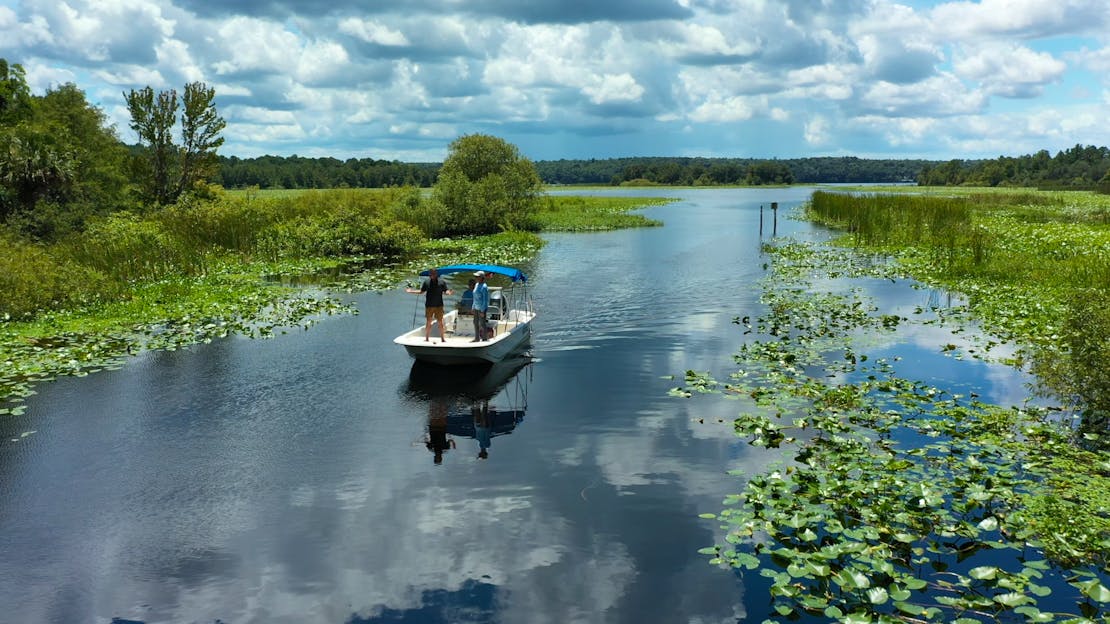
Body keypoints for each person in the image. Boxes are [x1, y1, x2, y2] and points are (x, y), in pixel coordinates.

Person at [405, 267, 453, 343]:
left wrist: (448, 293)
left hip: (439, 305)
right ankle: (427, 338)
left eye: (433, 274)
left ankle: (443, 339)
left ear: (436, 274)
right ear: (429, 274)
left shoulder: (442, 282)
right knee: (428, 322)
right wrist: (411, 291)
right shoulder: (426, 282)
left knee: (440, 322)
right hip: (429, 305)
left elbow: (446, 291)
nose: (432, 275)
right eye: (431, 274)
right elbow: (421, 292)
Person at [471, 270, 490, 341]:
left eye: (477, 277)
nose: (476, 278)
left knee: (482, 323)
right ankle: (477, 338)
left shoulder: (484, 287)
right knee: (475, 322)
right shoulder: (476, 285)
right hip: (476, 307)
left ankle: (485, 338)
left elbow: (485, 300)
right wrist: (473, 307)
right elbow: (474, 297)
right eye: (475, 276)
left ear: (481, 277)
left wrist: (482, 311)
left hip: (482, 308)